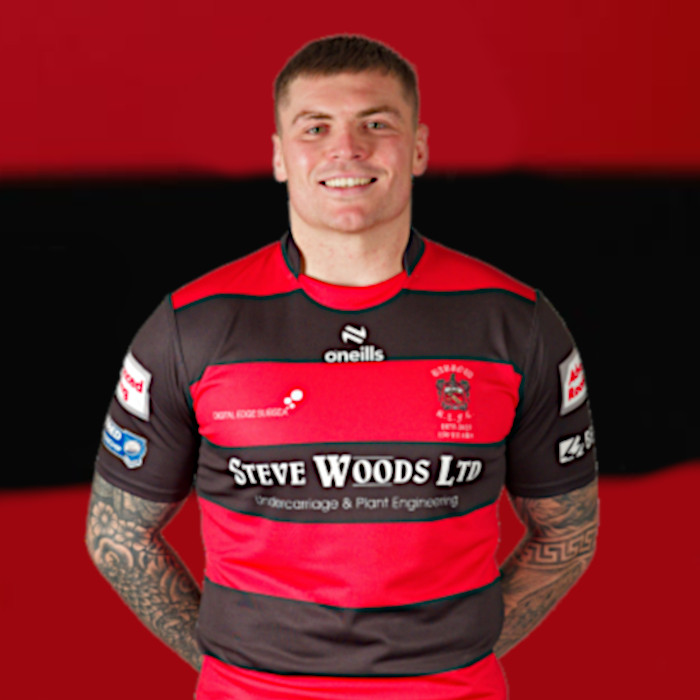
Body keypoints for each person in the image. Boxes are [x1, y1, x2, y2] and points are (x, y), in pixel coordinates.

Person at [86, 35, 598, 699]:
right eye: (316, 127)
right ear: (279, 156)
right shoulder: (192, 325)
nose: (346, 149)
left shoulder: (514, 321)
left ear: (418, 148)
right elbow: (118, 533)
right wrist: (230, 667)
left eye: (376, 124)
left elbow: (569, 532)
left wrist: (454, 658)